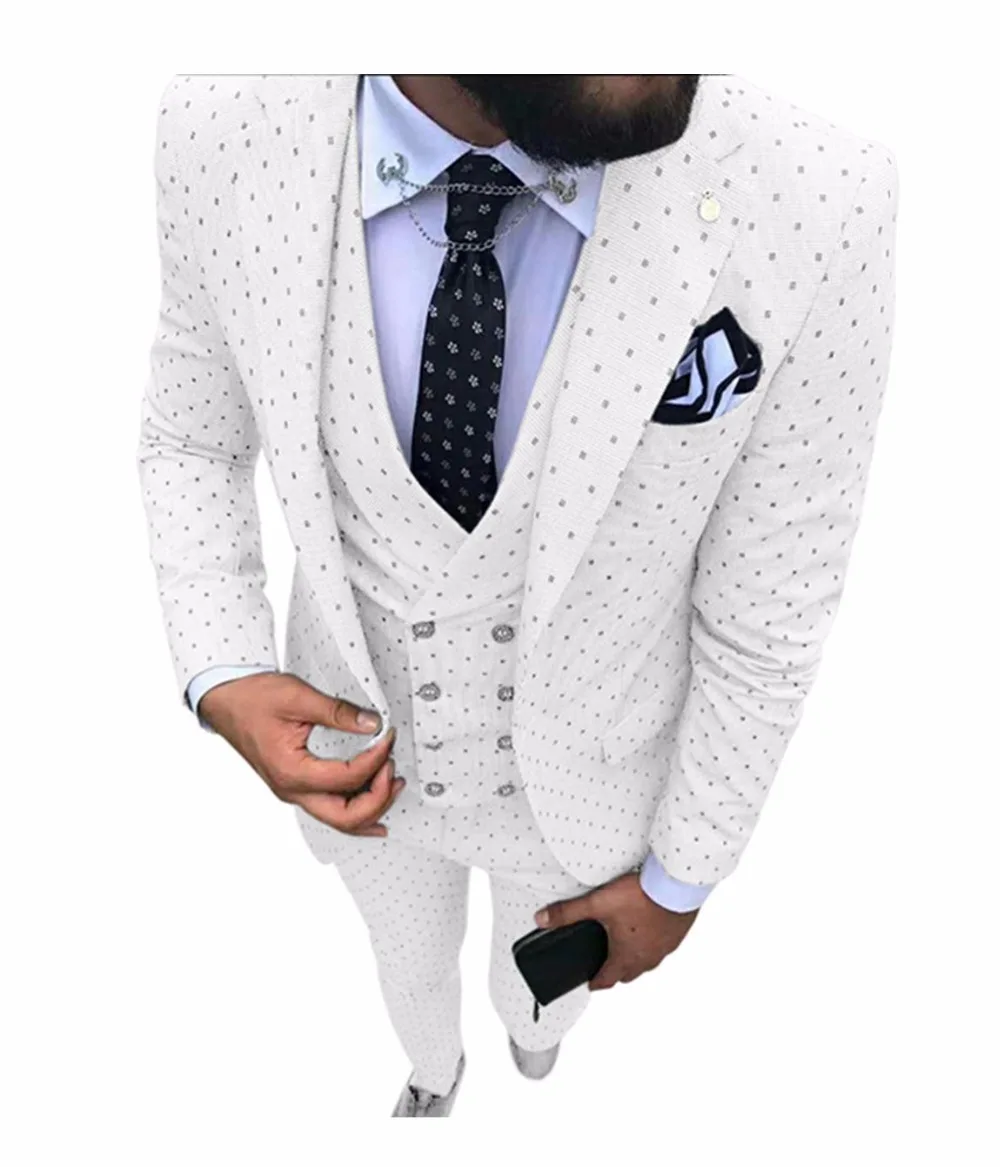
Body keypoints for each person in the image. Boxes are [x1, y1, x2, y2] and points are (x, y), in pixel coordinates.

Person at [137, 73, 898, 1117]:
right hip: (355, 763)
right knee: (406, 966)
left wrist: (684, 872)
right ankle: (432, 1074)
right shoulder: (220, 127)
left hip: (588, 797)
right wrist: (221, 663)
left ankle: (530, 1047)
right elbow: (192, 434)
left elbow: (771, 602)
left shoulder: (824, 193)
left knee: (536, 996)